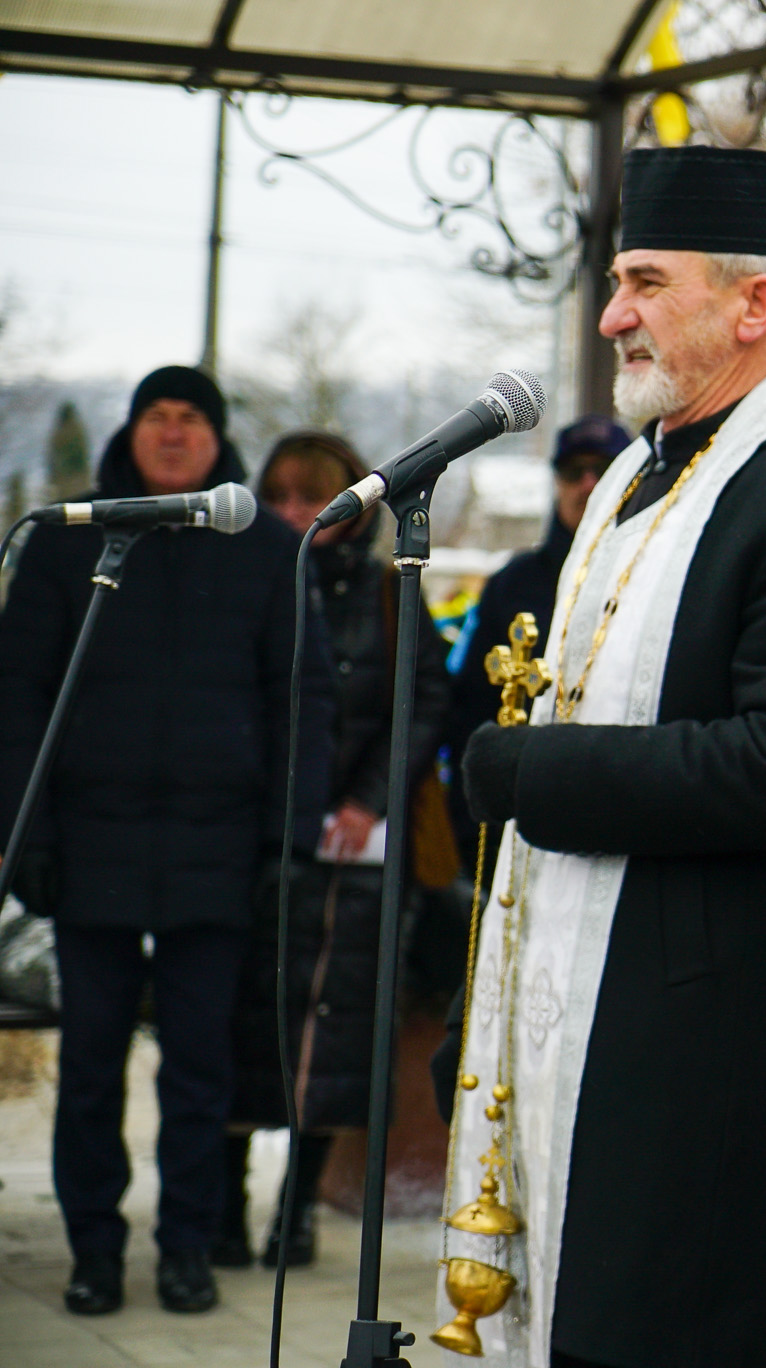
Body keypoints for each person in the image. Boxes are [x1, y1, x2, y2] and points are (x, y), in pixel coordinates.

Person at [451, 145, 766, 1368]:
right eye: (616, 281)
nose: (613, 316)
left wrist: (527, 773)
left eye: (646, 282)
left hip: (699, 1053)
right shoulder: (628, 478)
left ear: (751, 305)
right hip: (584, 1011)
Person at [0, 366, 332, 1317]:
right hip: (90, 844)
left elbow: (300, 702)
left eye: (193, 419)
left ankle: (186, 1247)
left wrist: (289, 842)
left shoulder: (268, 550)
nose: (175, 434)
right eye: (159, 416)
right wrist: (25, 831)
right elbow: (19, 696)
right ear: (133, 431)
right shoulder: (74, 543)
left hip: (217, 849)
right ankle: (94, 1250)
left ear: (218, 440)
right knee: (92, 1065)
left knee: (199, 1065)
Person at [211, 431, 450, 1271]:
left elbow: (423, 701)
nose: (289, 513)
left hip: (350, 849)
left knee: (331, 1029)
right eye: (276, 495)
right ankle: (225, 1202)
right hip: (256, 839)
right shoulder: (252, 582)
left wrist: (366, 800)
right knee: (239, 1020)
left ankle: (297, 1208)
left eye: (307, 495)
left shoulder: (389, 591)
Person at [444, 414, 629, 833]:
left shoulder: (653, 573)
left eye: (603, 470)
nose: (587, 484)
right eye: (572, 471)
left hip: (616, 793)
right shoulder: (512, 581)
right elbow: (471, 703)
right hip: (519, 801)